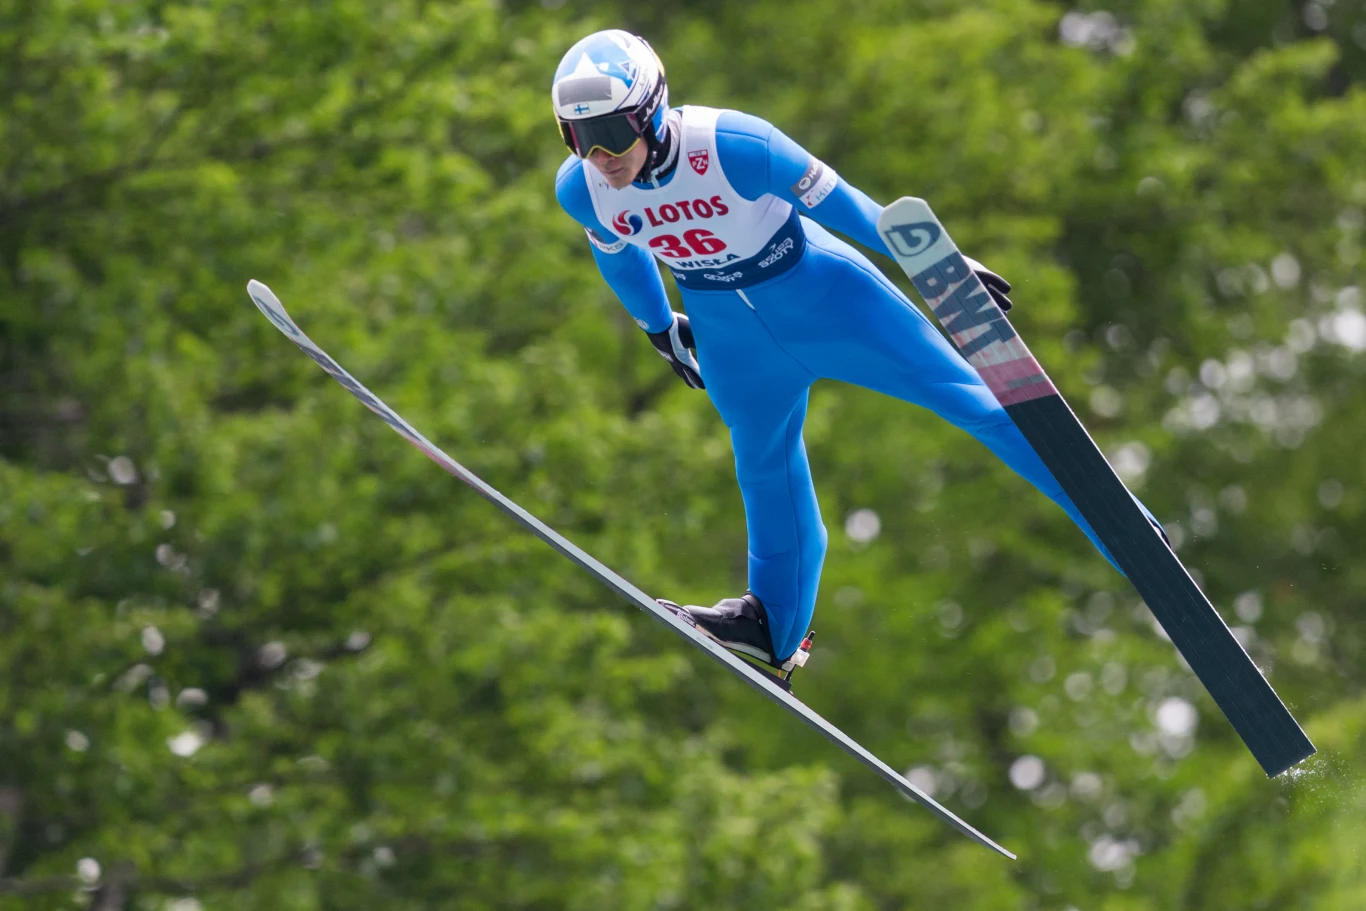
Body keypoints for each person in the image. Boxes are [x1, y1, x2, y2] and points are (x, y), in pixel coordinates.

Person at [552, 29, 1160, 680]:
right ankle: (772, 627)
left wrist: (930, 261)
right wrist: (656, 327)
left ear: (651, 110)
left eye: (613, 133)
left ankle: (1116, 520)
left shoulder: (733, 145)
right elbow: (618, 254)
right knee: (763, 460)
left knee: (968, 399)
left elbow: (842, 201)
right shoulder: (584, 188)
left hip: (827, 299)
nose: (601, 156)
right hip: (730, 332)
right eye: (578, 138)